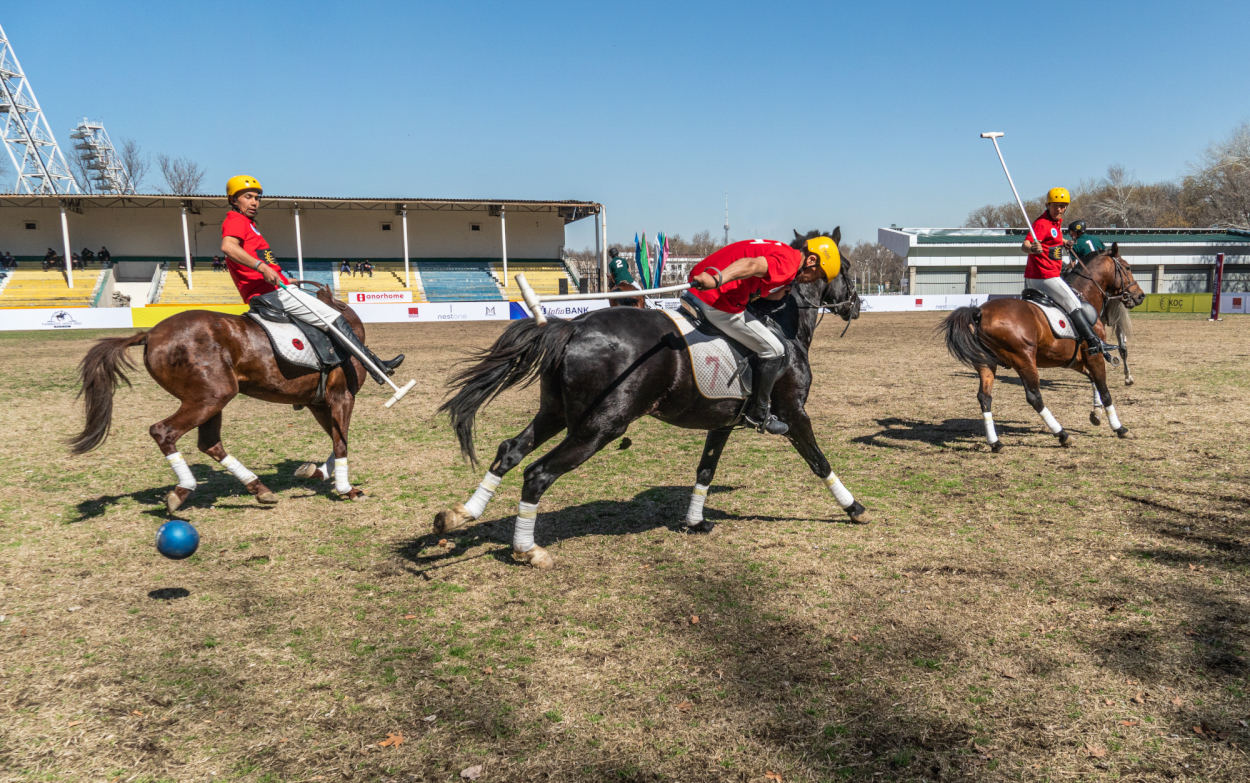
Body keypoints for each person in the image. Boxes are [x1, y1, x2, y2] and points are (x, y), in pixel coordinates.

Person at [220, 175, 403, 383]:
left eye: (257, 198)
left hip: (276, 288)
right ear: (234, 200)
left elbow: (262, 259)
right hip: (269, 293)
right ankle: (375, 367)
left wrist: (287, 280)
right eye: (248, 197)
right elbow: (228, 247)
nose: (254, 202)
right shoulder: (236, 220)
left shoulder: (249, 224)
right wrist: (261, 267)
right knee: (333, 319)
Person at [687, 236, 839, 435]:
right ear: (811, 261)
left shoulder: (784, 250)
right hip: (715, 298)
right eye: (817, 275)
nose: (812, 280)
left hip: (700, 281)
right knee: (774, 349)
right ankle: (757, 413)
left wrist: (770, 293)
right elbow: (751, 264)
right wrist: (717, 279)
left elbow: (755, 281)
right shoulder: (789, 265)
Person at [1022, 188, 1116, 358]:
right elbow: (1025, 245)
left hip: (1042, 275)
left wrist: (1064, 242)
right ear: (1048, 205)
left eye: (1063, 206)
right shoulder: (1042, 223)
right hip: (1045, 276)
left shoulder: (1055, 223)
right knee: (1075, 304)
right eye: (1057, 206)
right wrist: (1032, 248)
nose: (1060, 209)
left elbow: (1053, 239)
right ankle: (1094, 342)